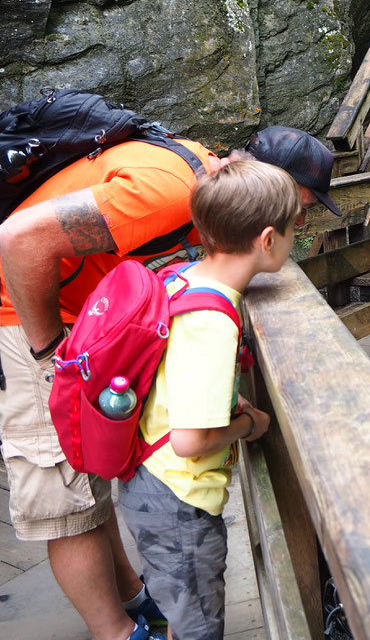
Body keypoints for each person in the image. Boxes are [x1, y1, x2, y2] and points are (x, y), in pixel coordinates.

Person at [0, 125, 339, 640]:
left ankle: (136, 598)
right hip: (19, 317)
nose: (301, 220)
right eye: (297, 208)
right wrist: (51, 354)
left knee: (85, 480)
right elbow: (16, 239)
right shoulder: (172, 191)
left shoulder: (196, 234)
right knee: (62, 495)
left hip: (124, 429)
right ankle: (116, 632)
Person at [119, 159, 298, 640]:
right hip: (178, 499)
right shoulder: (212, 323)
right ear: (266, 240)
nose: (292, 239)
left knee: (184, 614)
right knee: (199, 625)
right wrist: (250, 425)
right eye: (291, 230)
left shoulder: (182, 277)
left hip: (146, 478)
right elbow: (189, 440)